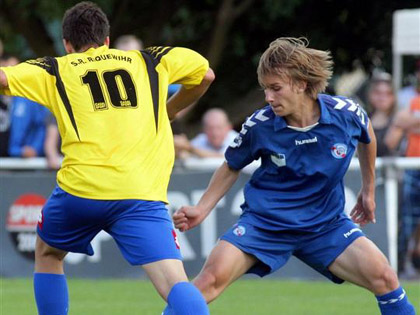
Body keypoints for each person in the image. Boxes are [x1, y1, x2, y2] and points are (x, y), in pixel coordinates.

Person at [164, 37, 416, 315]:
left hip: (325, 226)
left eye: (275, 88)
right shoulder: (261, 125)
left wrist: (367, 191)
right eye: (265, 89)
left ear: (301, 84)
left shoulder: (346, 114)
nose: (268, 97)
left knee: (386, 279)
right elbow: (231, 165)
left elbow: (367, 135)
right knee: (206, 284)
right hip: (265, 225)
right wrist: (202, 208)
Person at [0, 2, 214, 315]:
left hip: (80, 191)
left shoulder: (57, 68)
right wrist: (169, 109)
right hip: (140, 193)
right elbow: (205, 75)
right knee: (175, 285)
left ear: (67, 45)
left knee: (48, 252)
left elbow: (4, 80)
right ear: (108, 39)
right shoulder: (150, 60)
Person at [385, 96, 420, 277]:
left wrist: (412, 123)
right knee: (408, 220)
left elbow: (405, 122)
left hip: (413, 166)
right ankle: (402, 262)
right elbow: (399, 122)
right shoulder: (415, 101)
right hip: (412, 166)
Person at [174, 108, 238, 158]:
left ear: (229, 127)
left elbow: (225, 158)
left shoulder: (237, 140)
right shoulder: (201, 139)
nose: (215, 133)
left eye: (219, 128)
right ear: (204, 129)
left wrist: (190, 148)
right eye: (210, 128)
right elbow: (186, 156)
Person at [366, 73, 398, 156]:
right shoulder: (364, 118)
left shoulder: (398, 119)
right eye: (378, 93)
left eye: (387, 93)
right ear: (370, 94)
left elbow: (385, 149)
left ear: (393, 97)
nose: (382, 98)